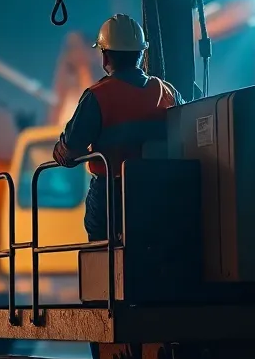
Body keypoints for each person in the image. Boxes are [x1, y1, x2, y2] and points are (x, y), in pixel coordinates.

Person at [52, 14, 185, 242]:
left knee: (100, 237)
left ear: (105, 58)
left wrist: (61, 153)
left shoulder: (98, 96)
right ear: (141, 54)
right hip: (162, 194)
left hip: (112, 198)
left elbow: (71, 148)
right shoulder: (167, 92)